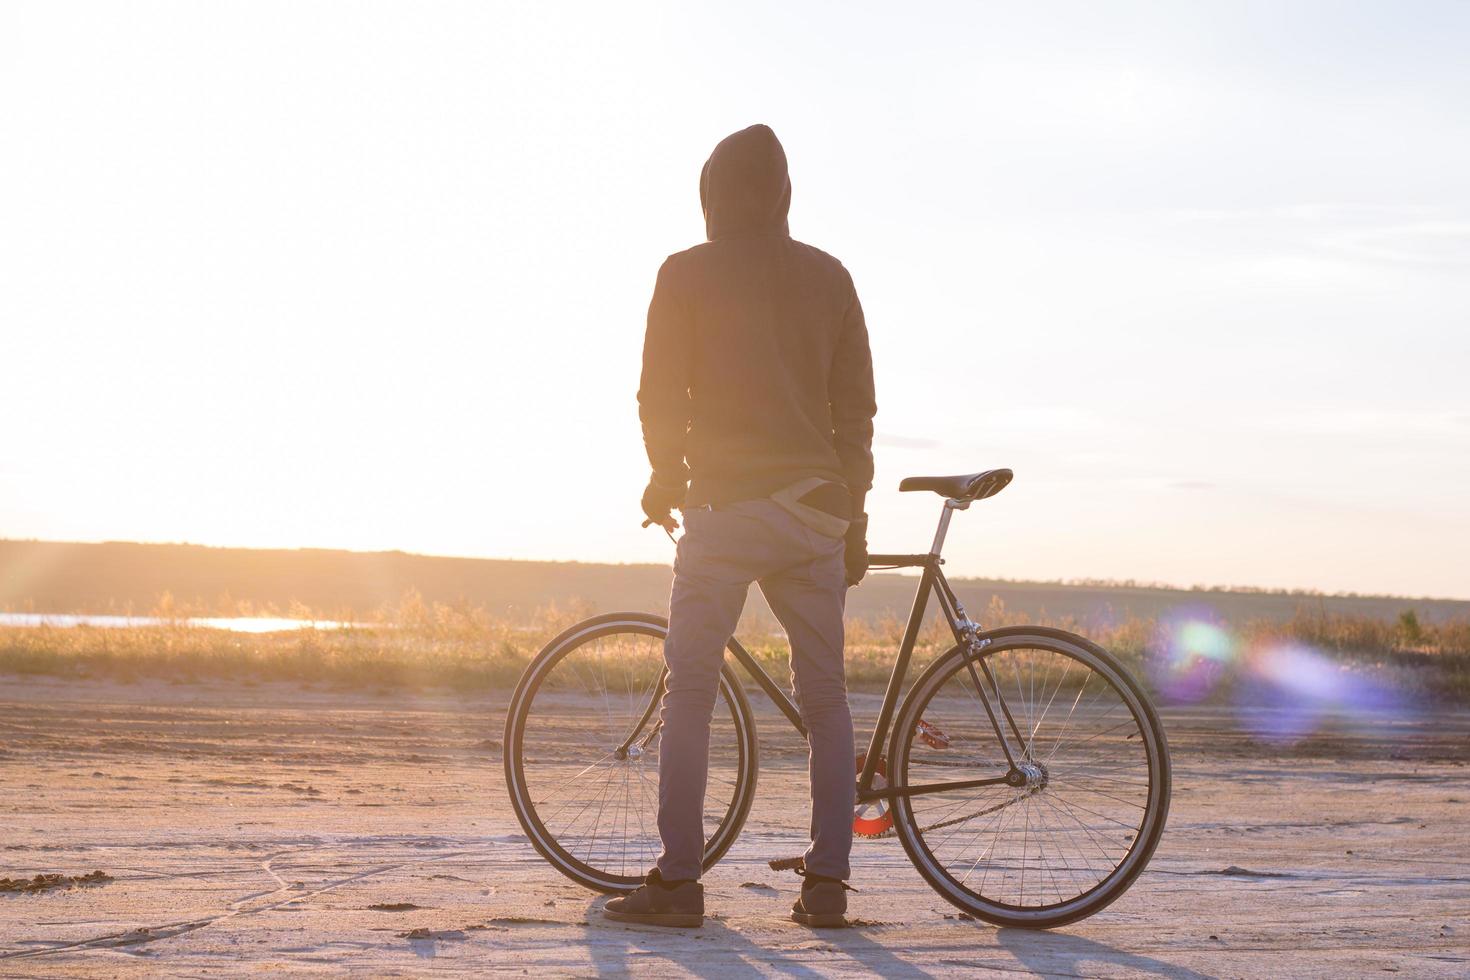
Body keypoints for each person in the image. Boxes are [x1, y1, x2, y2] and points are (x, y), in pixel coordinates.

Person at [604, 124, 876, 929]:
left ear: (711, 195)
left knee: (690, 692)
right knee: (826, 702)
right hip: (813, 512)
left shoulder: (685, 274)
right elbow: (853, 411)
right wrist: (853, 514)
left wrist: (664, 477)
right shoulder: (830, 277)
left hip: (723, 511)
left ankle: (679, 883)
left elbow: (662, 394)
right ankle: (826, 886)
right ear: (785, 195)